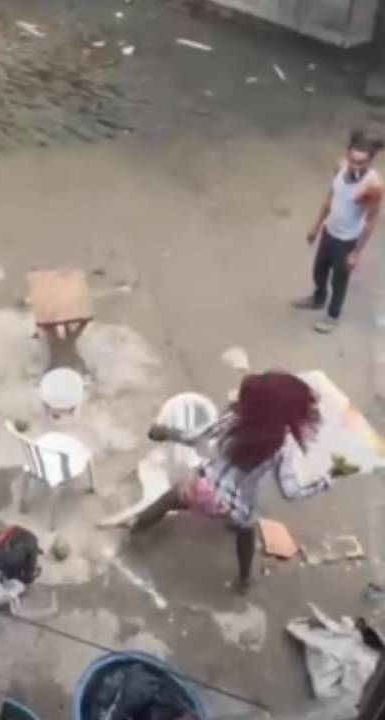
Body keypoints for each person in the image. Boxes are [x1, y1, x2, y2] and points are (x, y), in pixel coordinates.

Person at [129, 372, 331, 595]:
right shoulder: (283, 447)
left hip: (202, 487)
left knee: (167, 501)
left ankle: (136, 530)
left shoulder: (232, 419)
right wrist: (322, 482)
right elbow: (291, 492)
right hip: (234, 506)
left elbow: (196, 436)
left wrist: (165, 432)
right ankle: (244, 579)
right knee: (245, 534)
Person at [293, 129, 384, 333]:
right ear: (348, 154)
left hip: (348, 239)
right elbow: (330, 197)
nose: (355, 166)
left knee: (339, 279)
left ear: (370, 162)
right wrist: (317, 226)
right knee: (319, 269)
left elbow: (370, 221)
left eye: (361, 163)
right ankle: (318, 298)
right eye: (353, 160)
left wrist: (356, 253)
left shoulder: (373, 186)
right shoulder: (340, 168)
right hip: (330, 230)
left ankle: (332, 315)